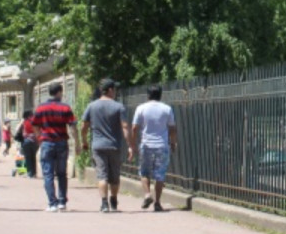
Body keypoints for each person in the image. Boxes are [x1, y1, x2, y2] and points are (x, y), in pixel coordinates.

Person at [81, 78, 133, 213]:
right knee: (115, 176)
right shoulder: (118, 107)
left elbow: (84, 126)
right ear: (110, 90)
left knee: (102, 175)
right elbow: (125, 127)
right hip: (114, 146)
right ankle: (113, 200)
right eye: (114, 89)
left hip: (98, 146)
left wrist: (84, 141)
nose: (115, 92)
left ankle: (104, 204)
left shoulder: (92, 106)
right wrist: (130, 145)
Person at [32, 84, 80, 212]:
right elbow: (73, 126)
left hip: (47, 142)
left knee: (48, 174)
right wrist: (77, 143)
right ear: (59, 92)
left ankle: (52, 203)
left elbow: (35, 125)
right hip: (61, 142)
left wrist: (39, 139)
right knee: (62, 173)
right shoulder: (65, 107)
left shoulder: (41, 108)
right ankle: (62, 201)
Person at [129, 85, 177, 212]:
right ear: (160, 95)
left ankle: (147, 195)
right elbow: (172, 128)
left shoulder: (141, 108)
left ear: (148, 95)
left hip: (146, 145)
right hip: (162, 145)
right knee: (160, 175)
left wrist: (133, 144)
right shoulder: (167, 109)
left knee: (144, 172)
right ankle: (157, 202)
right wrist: (173, 142)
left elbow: (134, 128)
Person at [18, 110, 38, 178]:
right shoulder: (35, 121)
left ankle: (30, 173)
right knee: (33, 157)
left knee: (28, 157)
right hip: (35, 141)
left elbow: (17, 129)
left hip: (27, 140)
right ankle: (34, 173)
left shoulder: (25, 122)